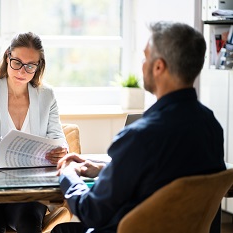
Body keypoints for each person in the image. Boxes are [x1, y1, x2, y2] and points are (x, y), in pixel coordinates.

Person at [51, 21, 226, 233]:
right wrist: (105, 170)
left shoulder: (140, 137)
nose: (142, 63)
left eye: (145, 56)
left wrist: (68, 174)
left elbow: (92, 212)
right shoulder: (211, 126)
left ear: (159, 66)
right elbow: (164, 180)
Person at [0, 31, 68, 233]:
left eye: (30, 66)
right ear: (7, 57)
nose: (22, 71)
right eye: (17, 62)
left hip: (28, 193)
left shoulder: (47, 96)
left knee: (28, 224)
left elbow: (59, 139)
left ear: (38, 66)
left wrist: (60, 150)